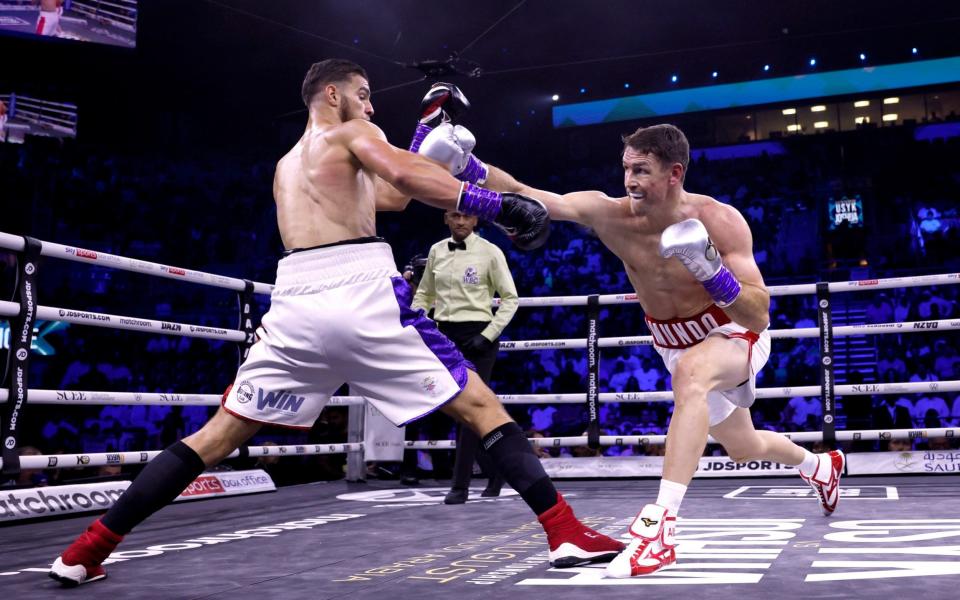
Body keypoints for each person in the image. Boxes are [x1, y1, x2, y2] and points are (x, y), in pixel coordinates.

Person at [49, 60, 622, 586]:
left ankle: (86, 551)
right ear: (332, 94)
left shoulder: (286, 165)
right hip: (359, 288)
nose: (372, 108)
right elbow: (404, 174)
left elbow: (391, 196)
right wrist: (498, 205)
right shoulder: (351, 134)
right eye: (364, 96)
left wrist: (427, 144)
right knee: (479, 407)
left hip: (295, 302)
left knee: (217, 435)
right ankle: (564, 532)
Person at [419, 119, 843, 578]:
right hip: (673, 342)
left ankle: (660, 530)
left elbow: (759, 314)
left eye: (641, 170)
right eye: (626, 169)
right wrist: (468, 167)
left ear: (674, 173)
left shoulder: (718, 219)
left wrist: (711, 271)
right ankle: (820, 465)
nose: (629, 181)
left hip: (731, 331)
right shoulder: (610, 214)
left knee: (693, 378)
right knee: (743, 445)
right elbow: (532, 193)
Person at [412, 208, 519, 503]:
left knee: (471, 410)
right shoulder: (436, 251)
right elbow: (424, 295)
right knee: (454, 409)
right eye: (455, 216)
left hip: (479, 335)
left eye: (466, 217)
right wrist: (420, 322)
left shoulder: (490, 252)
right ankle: (496, 471)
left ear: (476, 220)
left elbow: (510, 299)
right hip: (444, 334)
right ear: (446, 217)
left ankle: (460, 486)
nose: (460, 222)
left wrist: (487, 335)